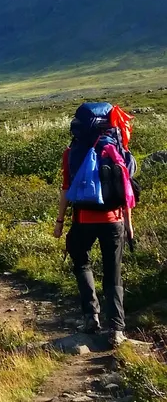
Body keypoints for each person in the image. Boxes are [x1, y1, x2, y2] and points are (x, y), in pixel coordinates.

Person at [53, 103, 136, 348]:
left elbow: (66, 190)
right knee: (114, 273)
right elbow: (125, 190)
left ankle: (91, 318)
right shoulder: (116, 149)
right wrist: (129, 224)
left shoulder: (72, 152)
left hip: (83, 220)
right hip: (114, 221)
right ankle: (117, 330)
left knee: (82, 264)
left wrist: (59, 223)